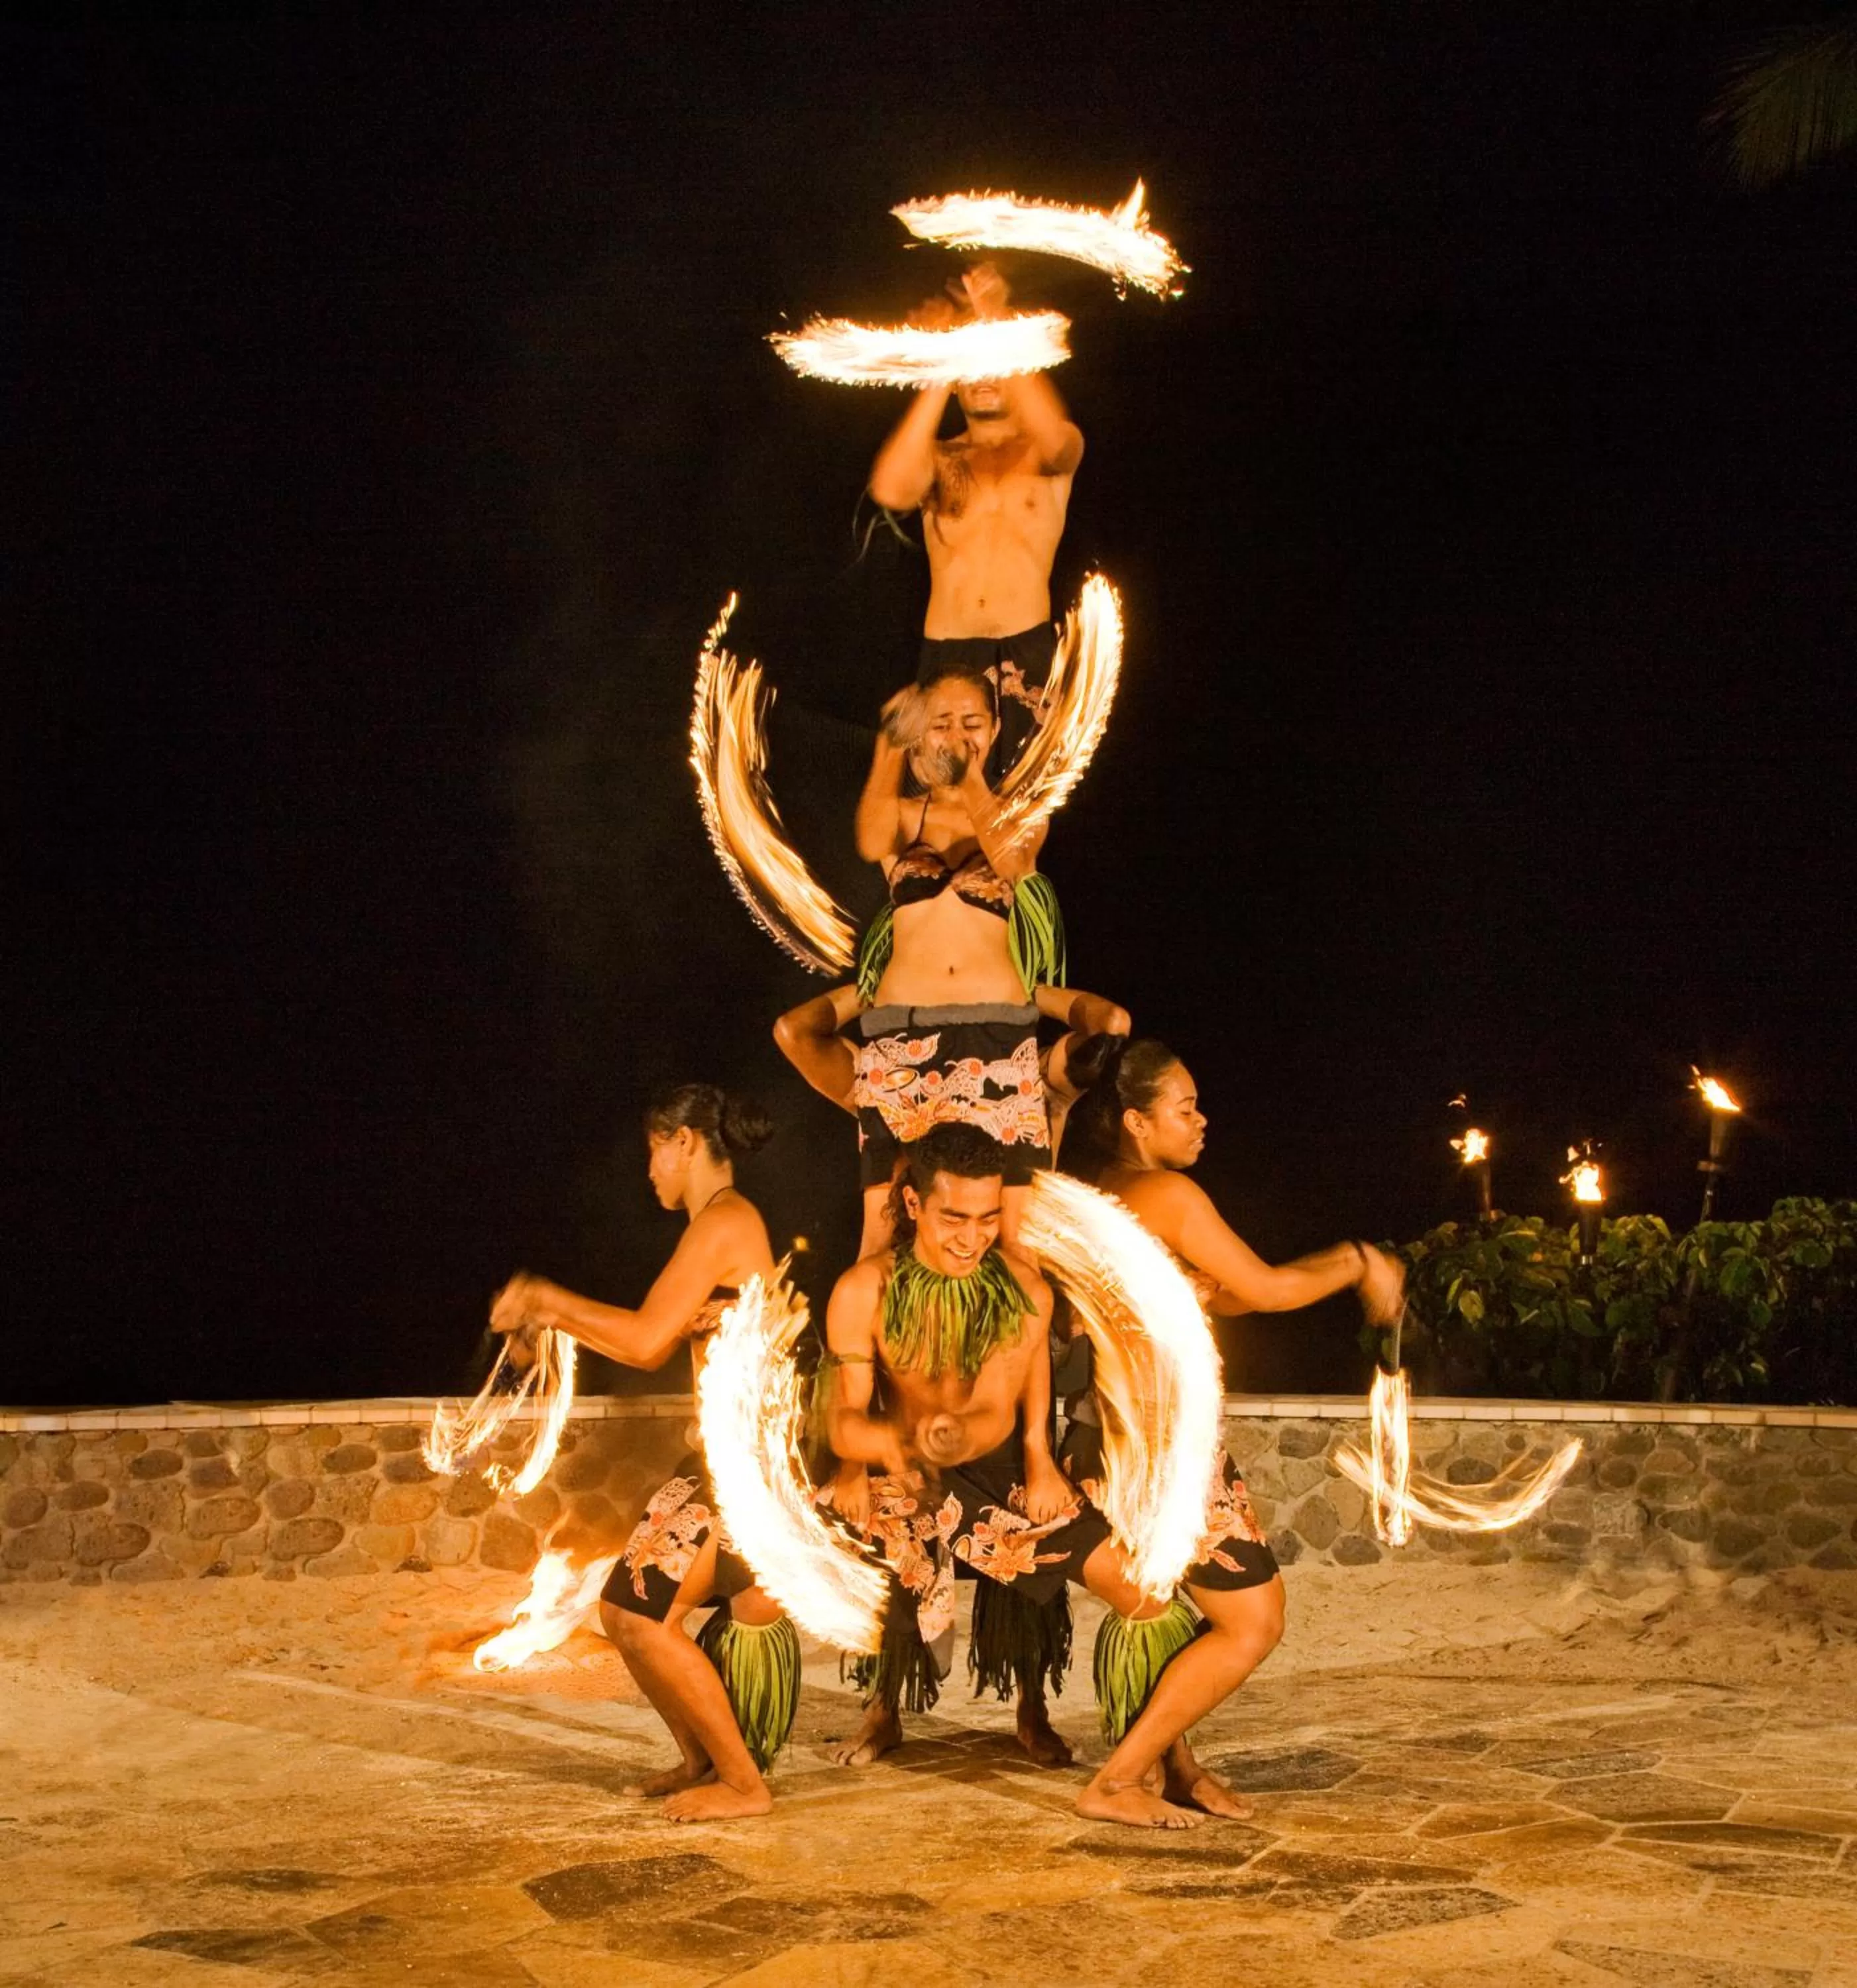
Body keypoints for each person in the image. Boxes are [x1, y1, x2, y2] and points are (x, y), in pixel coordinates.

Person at [820, 1124, 1291, 1828]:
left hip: (999, 1464)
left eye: (986, 1219)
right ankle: (1137, 1772)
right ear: (913, 1204)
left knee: (1143, 1592)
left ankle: (1165, 1766)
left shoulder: (1021, 1287)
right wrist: (889, 1444)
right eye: (954, 1218)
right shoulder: (864, 1291)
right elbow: (844, 1419)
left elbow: (1007, 1400)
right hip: (930, 1481)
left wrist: (1035, 1459)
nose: (971, 1239)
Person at [489, 1084, 791, 1823]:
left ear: (685, 1140)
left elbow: (647, 1339)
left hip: (745, 1472)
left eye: (654, 1150)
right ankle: (700, 1761)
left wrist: (547, 1301)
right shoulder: (718, 1226)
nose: (649, 1169)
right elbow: (648, 1338)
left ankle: (744, 1785)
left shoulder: (725, 1222)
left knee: (641, 1615)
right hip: (720, 1464)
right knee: (624, 1616)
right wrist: (551, 1317)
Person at [848, 661, 1066, 1252]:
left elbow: (1016, 862)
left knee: (1013, 1238)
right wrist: (889, 746)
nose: (956, 734)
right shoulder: (905, 815)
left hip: (995, 1035)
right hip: (902, 1038)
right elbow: (870, 841)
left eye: (972, 722)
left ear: (994, 729)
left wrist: (970, 779)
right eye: (940, 723)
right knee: (886, 1231)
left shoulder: (1023, 813)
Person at [868, 261, 1083, 767]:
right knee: (939, 802)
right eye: (973, 367)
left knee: (1019, 809)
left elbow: (1061, 448)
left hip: (1026, 652)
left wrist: (997, 320)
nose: (984, 377)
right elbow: (890, 488)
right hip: (948, 650)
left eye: (996, 366)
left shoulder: (1047, 448)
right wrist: (944, 362)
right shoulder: (939, 459)